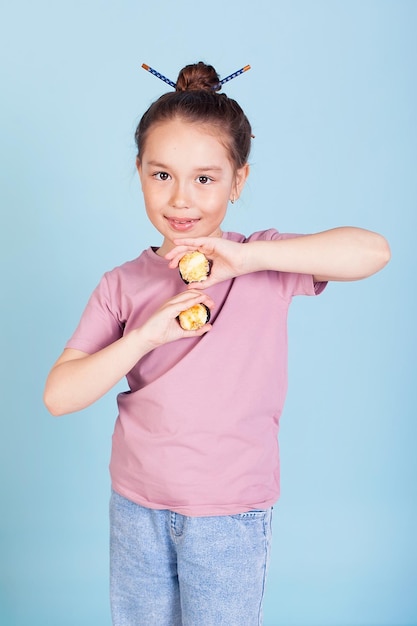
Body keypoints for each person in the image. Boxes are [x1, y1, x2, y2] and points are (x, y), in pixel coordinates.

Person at [44, 61, 390, 626]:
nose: (181, 199)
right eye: (162, 175)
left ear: (239, 180)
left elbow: (372, 252)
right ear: (138, 172)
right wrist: (147, 334)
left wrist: (249, 258)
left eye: (205, 178)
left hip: (229, 514)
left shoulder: (266, 261)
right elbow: (59, 395)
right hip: (136, 507)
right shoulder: (122, 284)